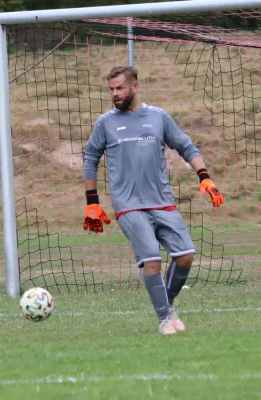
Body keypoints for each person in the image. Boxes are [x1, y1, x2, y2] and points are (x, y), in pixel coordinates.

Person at [82, 66, 225, 335]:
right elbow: (90, 158)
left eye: (120, 88)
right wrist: (92, 202)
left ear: (134, 87)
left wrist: (204, 177)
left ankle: (168, 305)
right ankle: (163, 319)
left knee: (185, 256)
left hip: (162, 201)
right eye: (111, 89)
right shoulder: (105, 123)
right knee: (152, 261)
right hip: (128, 205)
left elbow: (186, 146)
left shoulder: (158, 117)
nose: (115, 94)